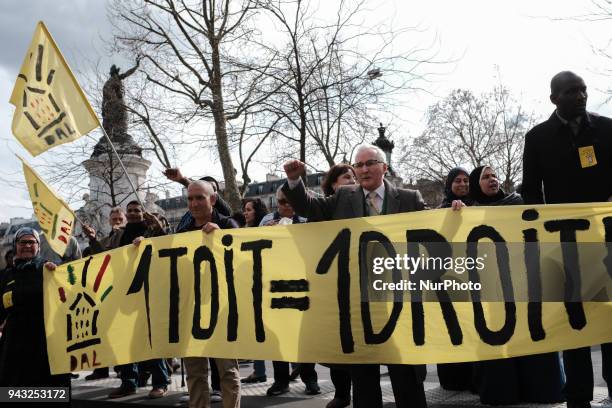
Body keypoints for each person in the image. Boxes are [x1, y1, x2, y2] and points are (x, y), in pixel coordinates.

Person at [282, 144, 428, 408]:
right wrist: (295, 181)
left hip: (401, 302)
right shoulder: (343, 197)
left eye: (370, 163)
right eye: (358, 165)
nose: (363, 169)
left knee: (406, 378)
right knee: (364, 381)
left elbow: (434, 232)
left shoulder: (409, 199)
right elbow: (309, 208)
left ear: (384, 167)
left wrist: (457, 212)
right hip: (359, 304)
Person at [522, 71, 612, 408]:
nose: (581, 95)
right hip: (564, 246)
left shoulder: (607, 129)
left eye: (584, 89)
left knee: (610, 322)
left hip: (607, 243)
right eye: (572, 91)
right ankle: (578, 399)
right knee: (575, 326)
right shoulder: (538, 138)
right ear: (554, 98)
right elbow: (531, 191)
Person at [467, 165, 564, 405]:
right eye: (485, 177)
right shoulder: (470, 212)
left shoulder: (518, 203)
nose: (493, 180)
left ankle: (541, 388)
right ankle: (503, 391)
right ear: (475, 184)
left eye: (494, 175)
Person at [84, 201, 170, 399]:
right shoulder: (118, 235)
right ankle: (128, 382)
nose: (132, 214)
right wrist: (93, 239)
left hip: (147, 291)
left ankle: (160, 382)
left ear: (143, 212)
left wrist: (158, 231)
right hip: (122, 293)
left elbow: (166, 249)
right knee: (123, 339)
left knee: (150, 339)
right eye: (129, 210)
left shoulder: (152, 231)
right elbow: (103, 256)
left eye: (136, 210)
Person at [177, 180, 241, 408]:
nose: (194, 204)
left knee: (227, 371)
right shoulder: (182, 233)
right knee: (195, 373)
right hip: (192, 311)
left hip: (222, 310)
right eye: (190, 198)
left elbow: (242, 260)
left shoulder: (228, 225)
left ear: (212, 199)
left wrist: (223, 237)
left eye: (199, 198)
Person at [0, 228, 70, 404]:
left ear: (38, 246)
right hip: (15, 344)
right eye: (22, 242)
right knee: (14, 392)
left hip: (46, 343)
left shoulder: (50, 269)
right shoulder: (7, 275)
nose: (27, 246)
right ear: (15, 246)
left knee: (51, 393)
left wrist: (59, 276)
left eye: (32, 242)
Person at [318, 163, 356, 408]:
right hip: (334, 285)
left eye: (354, 176)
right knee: (339, 345)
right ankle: (342, 394)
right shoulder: (324, 209)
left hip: (365, 280)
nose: (353, 179)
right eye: (346, 177)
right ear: (333, 184)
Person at [435, 166, 475, 391]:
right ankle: (451, 378)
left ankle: (471, 377)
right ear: (449, 185)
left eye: (466, 181)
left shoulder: (476, 206)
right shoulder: (441, 210)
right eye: (458, 181)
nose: (463, 185)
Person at [240, 198, 270, 385]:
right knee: (256, 330)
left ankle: (294, 367)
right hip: (249, 286)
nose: (245, 213)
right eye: (245, 210)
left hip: (265, 285)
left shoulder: (266, 228)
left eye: (249, 210)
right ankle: (259, 371)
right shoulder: (241, 231)